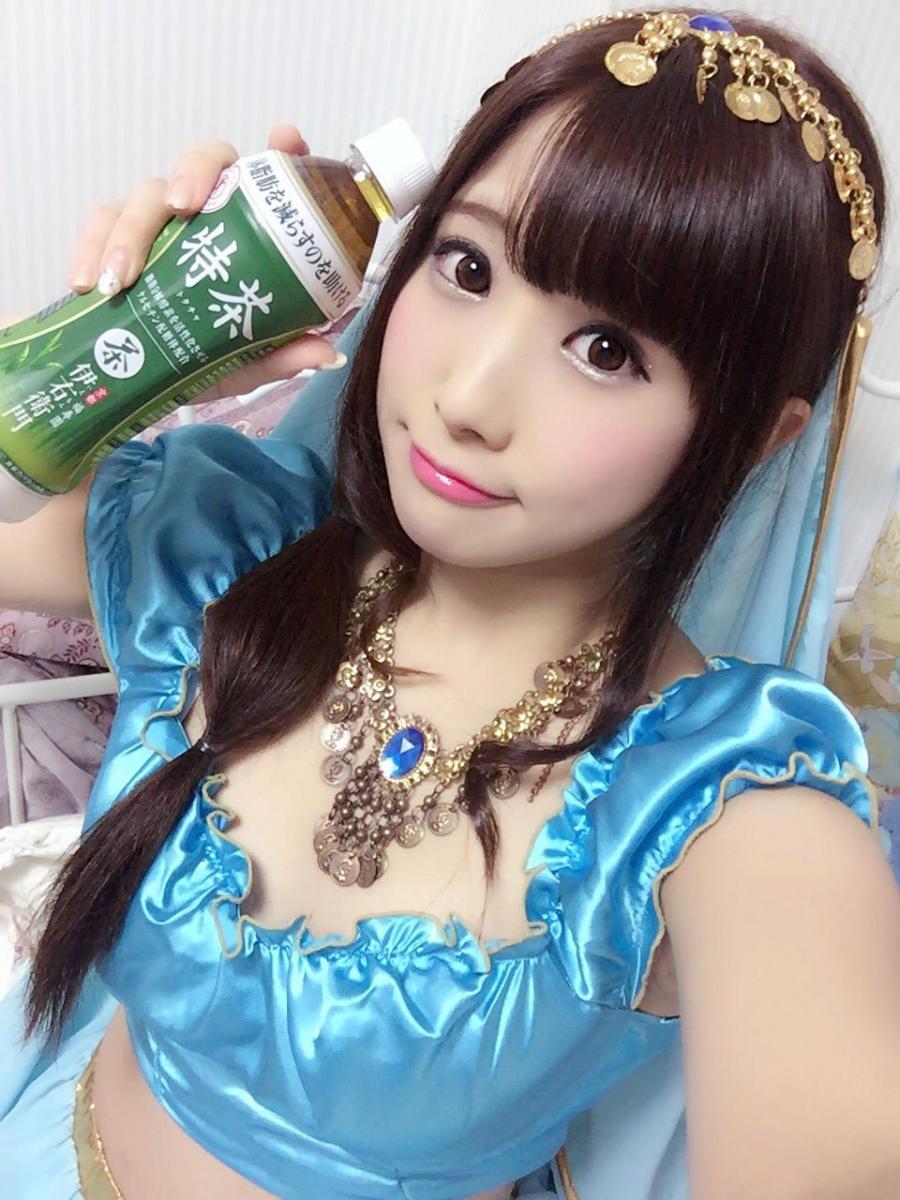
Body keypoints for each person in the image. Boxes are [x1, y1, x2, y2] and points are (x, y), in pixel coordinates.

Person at [1, 7, 899, 1199]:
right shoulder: (239, 550)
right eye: (467, 268)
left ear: (751, 440)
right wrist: (114, 347)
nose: (468, 398)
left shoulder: (720, 806)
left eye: (608, 351)